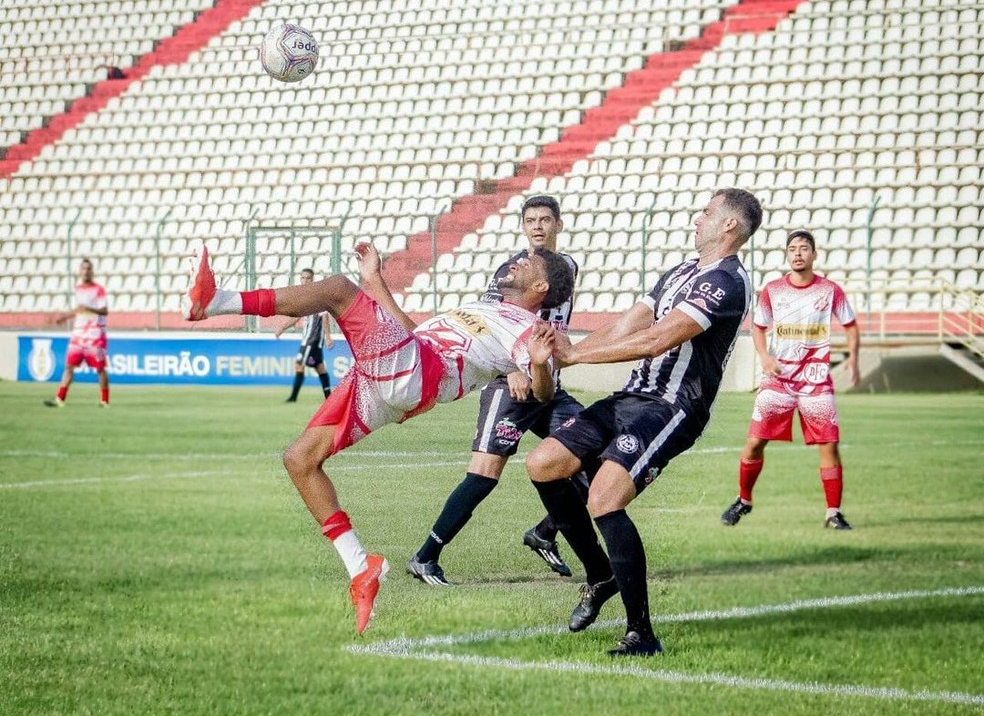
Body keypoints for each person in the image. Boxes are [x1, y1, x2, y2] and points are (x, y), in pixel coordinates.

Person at [181, 240, 574, 633]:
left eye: (529, 263)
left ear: (540, 287)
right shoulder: (486, 307)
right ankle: (359, 566)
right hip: (402, 370)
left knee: (337, 289)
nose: (518, 261)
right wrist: (374, 280)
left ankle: (216, 302)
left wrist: (538, 368)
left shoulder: (530, 329)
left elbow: (543, 393)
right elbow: (408, 330)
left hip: (418, 373)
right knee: (300, 460)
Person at [525, 187, 763, 657]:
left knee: (605, 497)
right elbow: (626, 326)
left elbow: (658, 340)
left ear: (730, 225)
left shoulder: (728, 281)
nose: (698, 219)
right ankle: (601, 575)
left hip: (673, 407)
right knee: (543, 462)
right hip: (633, 396)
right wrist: (564, 354)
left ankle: (641, 634)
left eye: (708, 212)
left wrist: (573, 356)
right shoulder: (679, 273)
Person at [407, 195, 585, 586]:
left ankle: (544, 533)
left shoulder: (568, 266)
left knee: (593, 460)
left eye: (545, 220)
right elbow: (490, 323)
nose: (537, 226)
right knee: (485, 473)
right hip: (512, 384)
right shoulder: (511, 271)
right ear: (523, 227)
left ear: (559, 224)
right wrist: (511, 368)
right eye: (530, 220)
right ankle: (425, 556)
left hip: (548, 385)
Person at [720, 229, 860, 531]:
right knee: (755, 442)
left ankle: (833, 513)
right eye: (793, 248)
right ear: (787, 254)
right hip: (779, 379)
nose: (798, 253)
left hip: (816, 381)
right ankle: (744, 500)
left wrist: (853, 361)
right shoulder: (773, 290)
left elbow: (850, 325)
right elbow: (758, 328)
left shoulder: (830, 291)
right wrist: (765, 358)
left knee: (829, 446)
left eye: (804, 248)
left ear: (814, 254)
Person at [44, 258, 110, 408]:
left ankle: (105, 401)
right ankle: (60, 399)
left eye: (88, 269)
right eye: (84, 269)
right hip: (79, 335)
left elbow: (104, 311)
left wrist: (88, 308)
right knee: (69, 366)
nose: (86, 271)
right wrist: (65, 317)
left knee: (100, 368)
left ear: (92, 272)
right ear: (80, 271)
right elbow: (79, 309)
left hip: (96, 336)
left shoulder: (99, 290)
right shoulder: (78, 289)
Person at [275, 268, 335, 402]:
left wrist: (328, 336)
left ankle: (293, 397)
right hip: (311, 340)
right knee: (320, 367)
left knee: (299, 363)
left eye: (307, 278)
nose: (304, 280)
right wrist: (282, 328)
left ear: (312, 279)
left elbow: (324, 316)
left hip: (311, 339)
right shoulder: (304, 297)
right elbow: (296, 317)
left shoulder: (316, 296)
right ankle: (329, 398)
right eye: (302, 278)